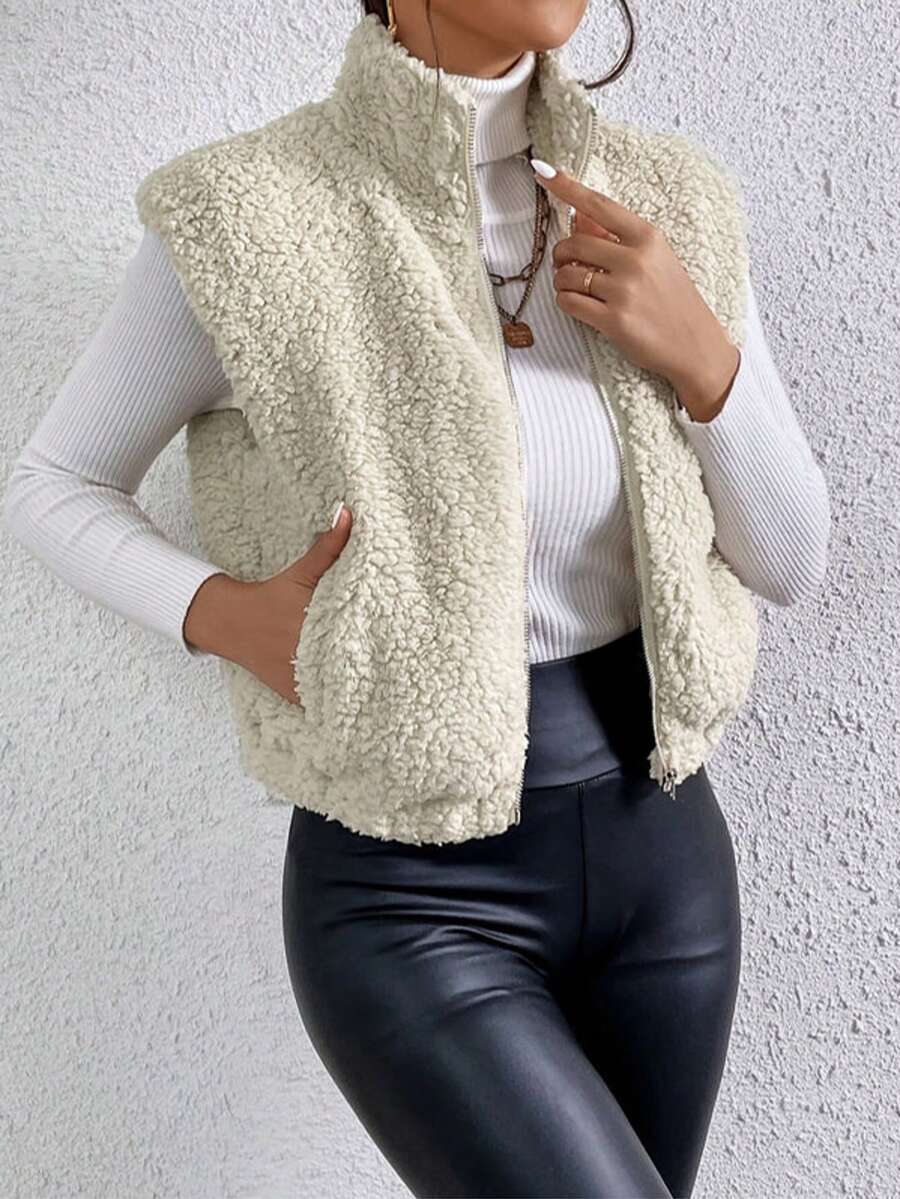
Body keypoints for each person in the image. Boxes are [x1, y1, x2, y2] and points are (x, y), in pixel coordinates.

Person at [3, 1, 830, 1195]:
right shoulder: (246, 216)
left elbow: (789, 560)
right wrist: (224, 614)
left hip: (667, 861)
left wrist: (705, 356)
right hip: (409, 892)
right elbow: (53, 480)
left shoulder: (670, 200)